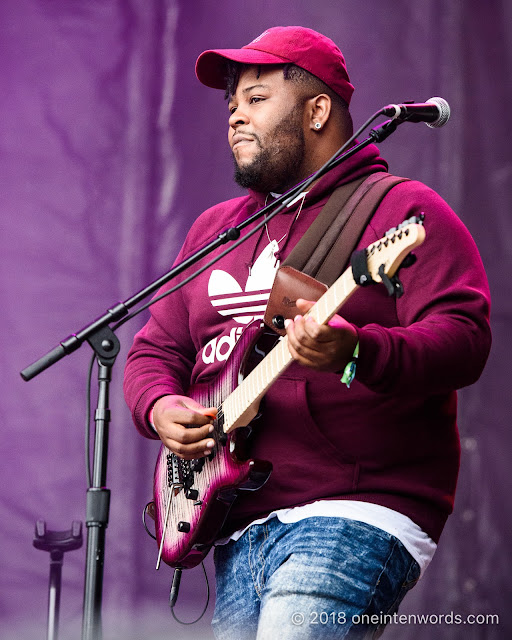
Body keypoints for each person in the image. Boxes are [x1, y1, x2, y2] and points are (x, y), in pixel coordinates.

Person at [123, 26, 491, 639]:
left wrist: (358, 350)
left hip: (354, 508)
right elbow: (155, 350)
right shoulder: (216, 230)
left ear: (318, 110)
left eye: (257, 98)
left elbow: (465, 337)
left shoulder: (399, 210)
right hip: (239, 521)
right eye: (232, 103)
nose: (237, 115)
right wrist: (159, 407)